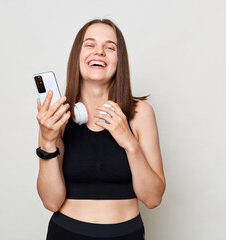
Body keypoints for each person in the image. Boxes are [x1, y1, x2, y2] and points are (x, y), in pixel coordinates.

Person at [36, 19, 166, 240]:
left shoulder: (141, 113)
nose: (99, 52)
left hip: (126, 233)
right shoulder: (56, 115)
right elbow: (51, 202)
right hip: (67, 232)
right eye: (89, 45)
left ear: (119, 60)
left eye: (110, 47)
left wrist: (129, 142)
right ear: (77, 55)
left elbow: (153, 199)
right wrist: (48, 142)